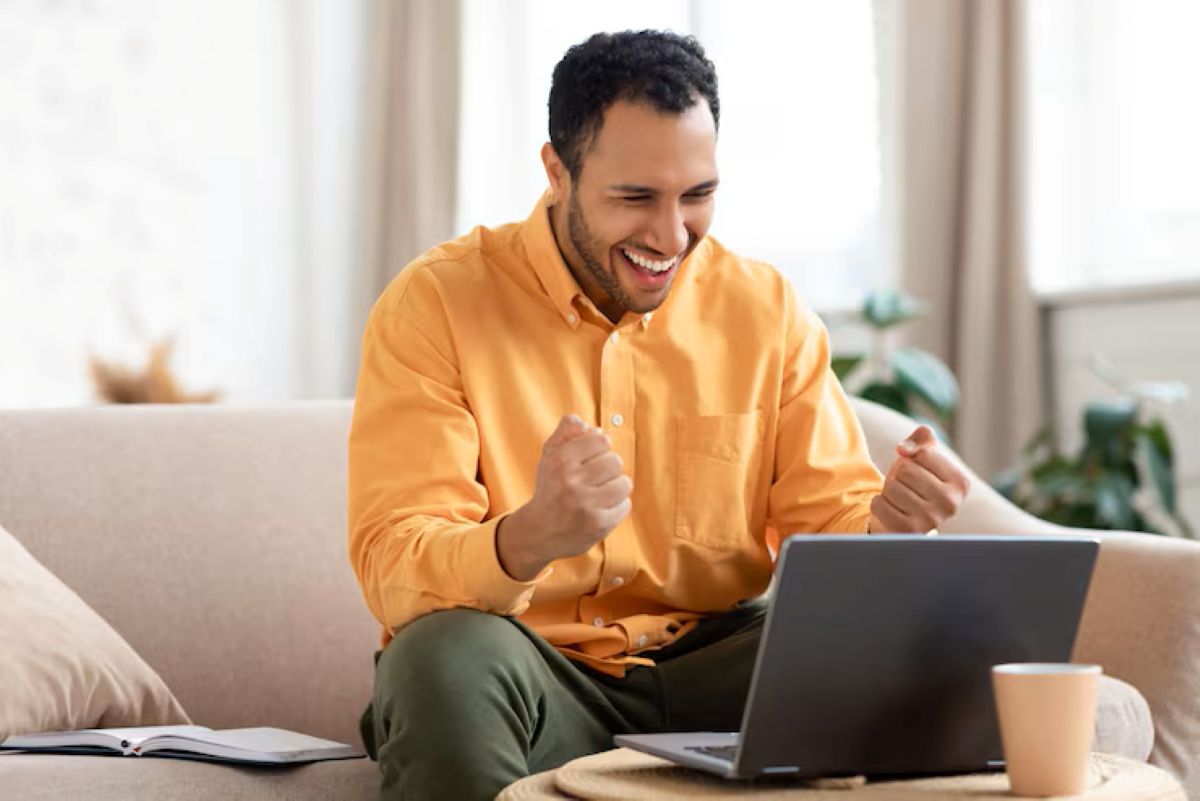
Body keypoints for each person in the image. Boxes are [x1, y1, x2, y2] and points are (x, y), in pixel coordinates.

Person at [348, 29, 971, 801]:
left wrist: (887, 528)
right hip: (536, 670)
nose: (671, 236)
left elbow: (827, 523)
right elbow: (394, 562)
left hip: (722, 660)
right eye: (636, 198)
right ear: (557, 172)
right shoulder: (436, 304)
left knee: (927, 648)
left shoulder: (765, 310)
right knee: (438, 660)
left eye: (697, 195)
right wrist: (529, 535)